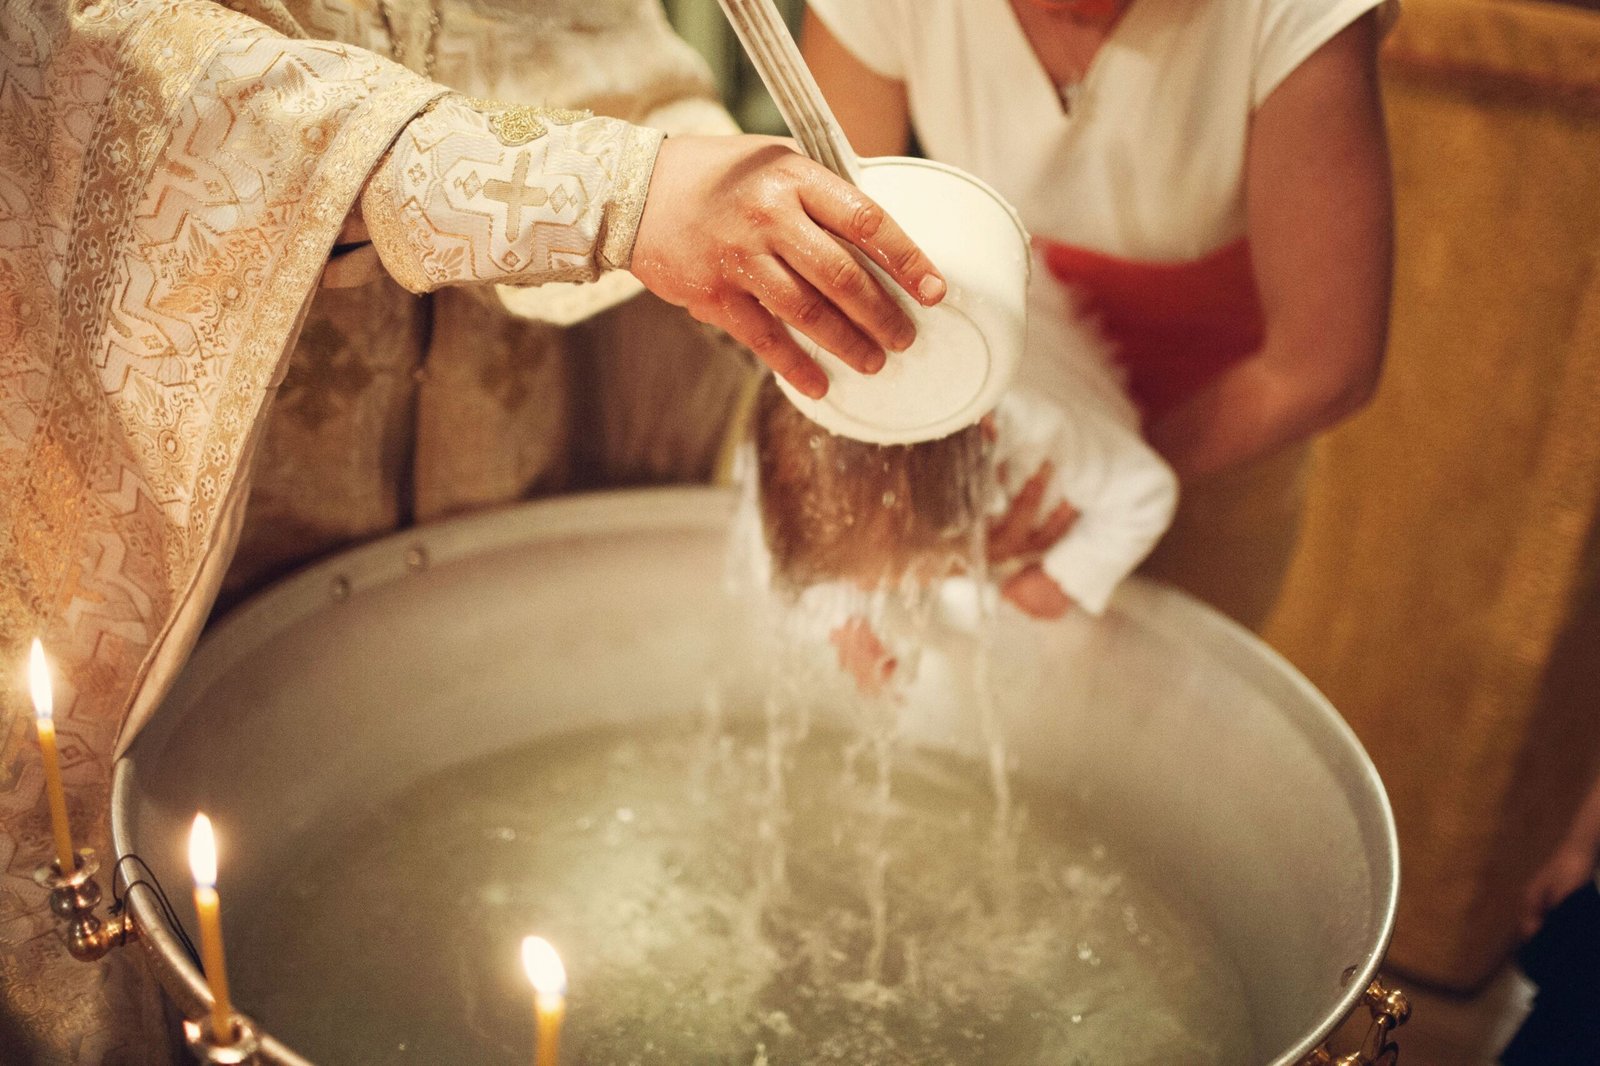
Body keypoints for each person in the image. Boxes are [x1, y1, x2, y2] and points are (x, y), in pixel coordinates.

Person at [0, 0, 950, 1058]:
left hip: (518, 387)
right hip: (211, 409)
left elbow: (588, 49)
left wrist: (759, 267)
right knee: (184, 892)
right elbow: (104, 61)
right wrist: (609, 191)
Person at [801, 0, 1394, 628]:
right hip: (997, 418)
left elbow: (1322, 368)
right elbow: (837, 277)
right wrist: (918, 511)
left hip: (1226, 424)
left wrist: (1089, 478)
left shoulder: (1295, 13)